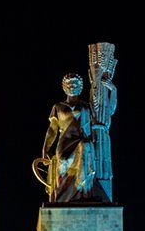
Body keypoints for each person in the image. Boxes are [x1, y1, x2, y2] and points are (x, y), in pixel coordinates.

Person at [33, 73, 97, 202]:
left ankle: (83, 193)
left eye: (75, 84)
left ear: (80, 87)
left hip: (80, 141)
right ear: (64, 86)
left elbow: (94, 127)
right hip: (65, 144)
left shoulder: (85, 107)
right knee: (64, 166)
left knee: (85, 147)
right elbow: (52, 130)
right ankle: (63, 198)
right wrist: (45, 150)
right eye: (69, 84)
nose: (72, 86)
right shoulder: (58, 107)